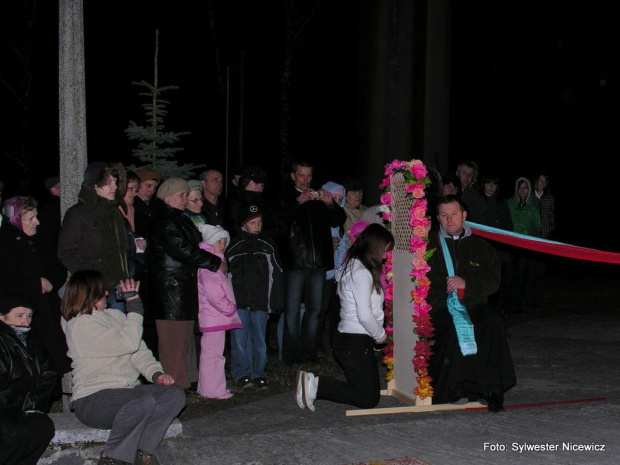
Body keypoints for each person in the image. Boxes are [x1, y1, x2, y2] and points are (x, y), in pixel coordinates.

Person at [61, 270, 185, 465]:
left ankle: (142, 451)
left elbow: (138, 352)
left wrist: (156, 374)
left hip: (127, 393)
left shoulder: (115, 316)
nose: (107, 294)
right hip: (92, 399)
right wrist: (134, 308)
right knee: (140, 402)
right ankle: (113, 457)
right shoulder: (78, 325)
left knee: (174, 395)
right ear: (90, 295)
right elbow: (128, 343)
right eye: (102, 291)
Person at [426, 196, 516, 412]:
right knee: (452, 326)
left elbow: (493, 279)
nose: (449, 220)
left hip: (474, 303)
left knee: (492, 321)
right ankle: (454, 388)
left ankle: (491, 388)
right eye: (444, 215)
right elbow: (421, 282)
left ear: (464, 216)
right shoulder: (429, 245)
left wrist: (467, 284)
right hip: (441, 305)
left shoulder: (481, 246)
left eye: (454, 214)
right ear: (437, 218)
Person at [295, 223, 394, 411]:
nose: (384, 256)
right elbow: (364, 314)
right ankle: (316, 384)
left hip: (352, 339)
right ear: (375, 247)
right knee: (368, 399)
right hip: (355, 340)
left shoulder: (354, 264)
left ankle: (315, 384)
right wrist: (380, 335)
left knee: (366, 392)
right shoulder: (361, 272)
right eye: (384, 251)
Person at [147, 178, 224, 391]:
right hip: (170, 291)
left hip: (181, 289)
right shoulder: (165, 221)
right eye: (182, 195)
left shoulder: (177, 218)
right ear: (169, 197)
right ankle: (172, 389)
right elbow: (182, 248)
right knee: (173, 344)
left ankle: (183, 383)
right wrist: (214, 262)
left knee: (183, 340)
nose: (185, 199)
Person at [278, 161, 346, 364]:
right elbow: (280, 222)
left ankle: (309, 353)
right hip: (295, 262)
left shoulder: (319, 198)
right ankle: (291, 355)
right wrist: (297, 202)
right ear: (293, 176)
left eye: (308, 176)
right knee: (291, 309)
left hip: (319, 263)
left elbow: (338, 220)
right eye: (301, 175)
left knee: (315, 310)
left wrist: (330, 203)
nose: (306, 180)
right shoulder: (285, 197)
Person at [0, 196, 71, 378]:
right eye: (30, 219)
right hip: (21, 316)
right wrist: (35, 285)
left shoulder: (39, 238)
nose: (37, 222)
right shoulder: (4, 245)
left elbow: (58, 265)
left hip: (46, 308)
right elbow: (5, 282)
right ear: (16, 220)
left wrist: (50, 283)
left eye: (36, 216)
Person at [58, 161, 131, 312]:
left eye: (115, 182)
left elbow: (122, 251)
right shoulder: (78, 214)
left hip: (117, 288)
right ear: (95, 186)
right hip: (92, 291)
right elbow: (66, 251)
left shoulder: (115, 214)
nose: (114, 187)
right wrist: (90, 279)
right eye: (108, 183)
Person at [227, 204, 284, 389]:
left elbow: (277, 273)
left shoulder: (267, 244)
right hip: (239, 301)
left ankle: (259, 373)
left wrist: (275, 300)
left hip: (261, 302)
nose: (257, 226)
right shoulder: (234, 245)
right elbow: (226, 275)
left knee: (259, 339)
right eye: (252, 223)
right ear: (244, 225)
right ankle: (241, 373)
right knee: (239, 340)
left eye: (259, 222)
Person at [0, 294, 57, 465]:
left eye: (29, 316)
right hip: (5, 409)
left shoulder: (31, 342)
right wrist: (17, 404)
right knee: (11, 431)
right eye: (19, 315)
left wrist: (32, 403)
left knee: (42, 426)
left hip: (22, 407)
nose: (25, 321)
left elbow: (48, 373)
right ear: (2, 317)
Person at [195, 224, 241, 399]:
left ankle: (207, 388)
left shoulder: (214, 261)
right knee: (214, 356)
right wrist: (230, 309)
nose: (223, 245)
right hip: (215, 316)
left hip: (214, 317)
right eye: (219, 241)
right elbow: (214, 294)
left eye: (224, 241)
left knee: (211, 354)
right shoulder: (211, 264)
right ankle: (213, 390)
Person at [507, 177, 542, 314]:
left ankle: (517, 304)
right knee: (509, 275)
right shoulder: (509, 203)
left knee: (520, 276)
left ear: (529, 190)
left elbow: (537, 226)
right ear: (516, 189)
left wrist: (528, 233)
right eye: (520, 187)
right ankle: (506, 303)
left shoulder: (532, 208)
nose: (522, 190)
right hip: (508, 245)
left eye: (525, 187)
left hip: (523, 247)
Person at [480, 172, 514, 311]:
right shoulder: (479, 200)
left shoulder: (502, 201)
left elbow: (508, 224)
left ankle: (500, 309)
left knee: (504, 280)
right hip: (485, 248)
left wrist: (506, 242)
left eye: (494, 184)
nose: (491, 187)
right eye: (488, 183)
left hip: (501, 248)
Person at [529, 173, 556, 307]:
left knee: (541, 270)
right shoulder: (529, 196)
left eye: (544, 181)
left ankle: (537, 301)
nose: (542, 183)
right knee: (530, 269)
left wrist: (549, 229)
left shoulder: (550, 198)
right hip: (531, 239)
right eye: (540, 180)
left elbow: (551, 217)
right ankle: (528, 297)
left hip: (545, 239)